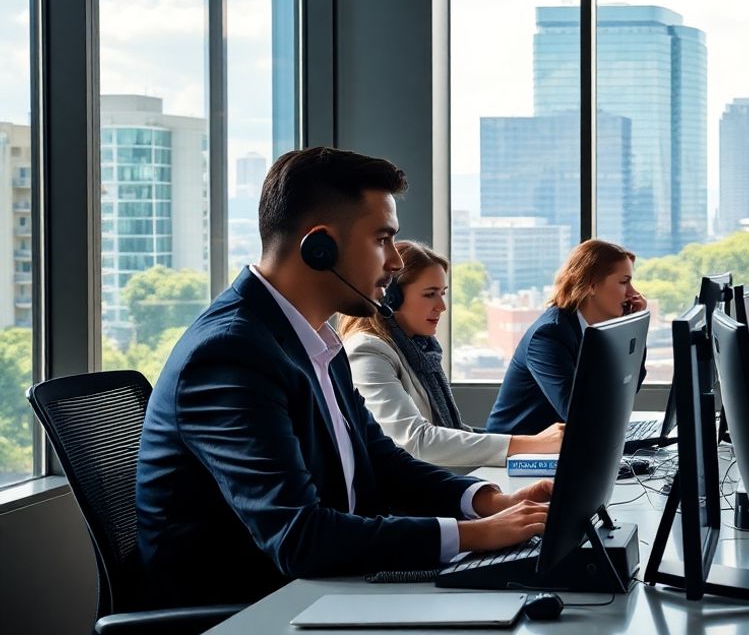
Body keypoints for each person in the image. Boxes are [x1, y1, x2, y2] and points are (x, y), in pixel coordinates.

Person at [136, 148, 553, 608]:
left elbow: (382, 461)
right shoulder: (230, 354)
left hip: (329, 589)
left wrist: (488, 502)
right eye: (382, 239)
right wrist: (473, 535)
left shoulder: (319, 342)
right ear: (321, 248)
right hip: (256, 608)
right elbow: (299, 537)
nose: (395, 262)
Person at [339, 241, 564, 468]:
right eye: (430, 295)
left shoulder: (420, 350)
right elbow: (417, 441)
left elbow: (449, 432)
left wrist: (536, 446)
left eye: (442, 294)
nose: (442, 306)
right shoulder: (368, 352)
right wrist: (530, 444)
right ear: (391, 297)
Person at [485, 239, 647, 436]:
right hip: (521, 454)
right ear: (592, 285)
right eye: (624, 282)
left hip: (569, 444)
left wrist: (633, 328)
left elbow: (626, 389)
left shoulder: (596, 330)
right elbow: (576, 412)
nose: (633, 293)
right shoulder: (549, 335)